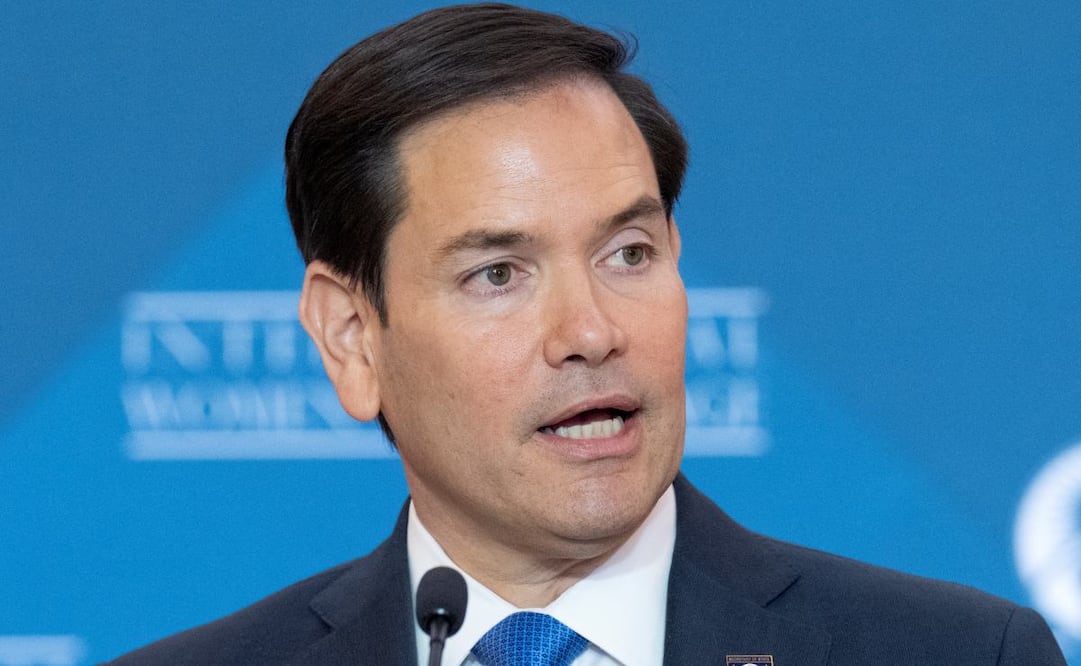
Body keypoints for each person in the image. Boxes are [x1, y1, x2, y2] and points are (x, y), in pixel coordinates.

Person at [107, 3, 1066, 664]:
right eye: (497, 274)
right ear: (353, 337)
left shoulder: (949, 657)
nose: (590, 331)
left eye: (628, 254)